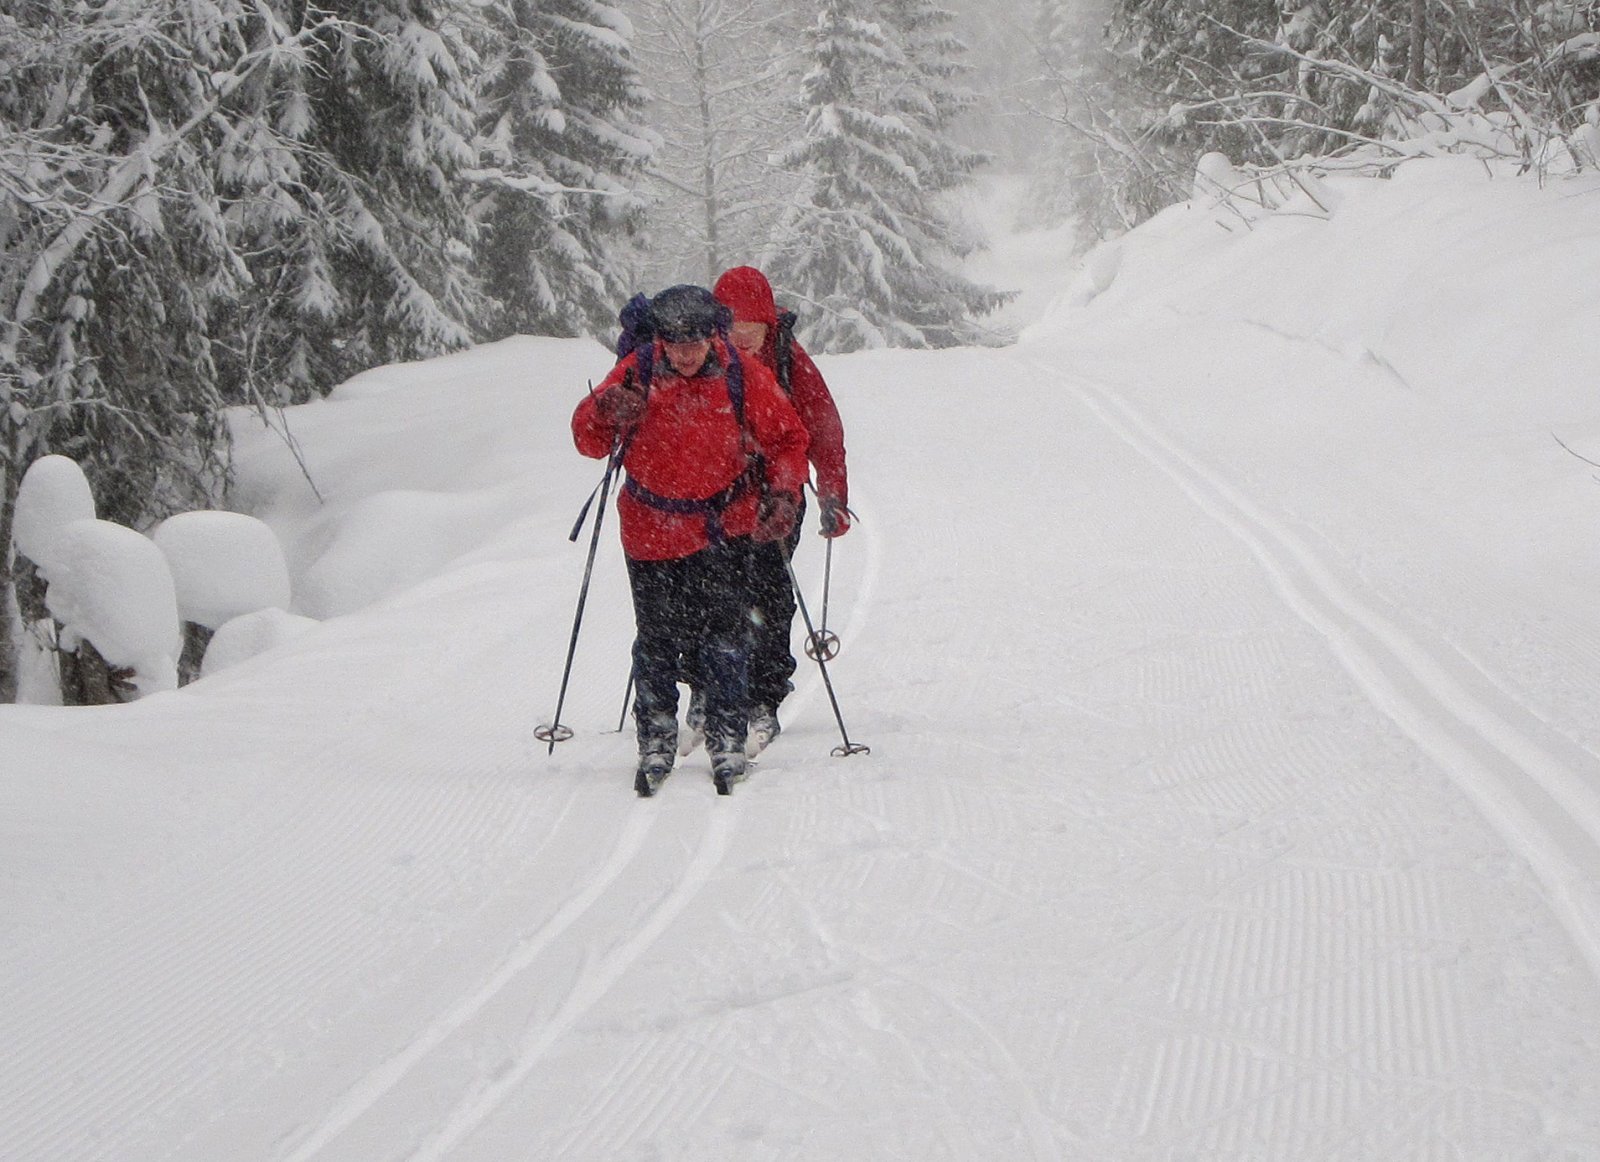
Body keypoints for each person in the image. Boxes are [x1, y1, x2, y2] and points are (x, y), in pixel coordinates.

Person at [572, 284, 809, 794]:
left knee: (726, 636)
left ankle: (727, 734)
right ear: (660, 339)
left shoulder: (742, 375)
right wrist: (603, 411)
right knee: (656, 639)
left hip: (723, 528)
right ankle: (655, 737)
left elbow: (789, 438)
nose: (683, 353)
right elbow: (587, 441)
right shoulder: (635, 371)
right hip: (649, 530)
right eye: (674, 343)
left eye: (693, 342)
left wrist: (785, 493)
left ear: (712, 335)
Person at [703, 265, 851, 754]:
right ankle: (708, 689)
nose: (743, 334)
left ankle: (762, 695)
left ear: (769, 322)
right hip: (712, 499)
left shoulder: (789, 360)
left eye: (753, 324)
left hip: (776, 496)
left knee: (766, 592)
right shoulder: (699, 359)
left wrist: (832, 496)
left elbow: (824, 428)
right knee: (707, 593)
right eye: (732, 324)